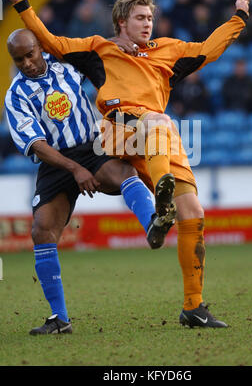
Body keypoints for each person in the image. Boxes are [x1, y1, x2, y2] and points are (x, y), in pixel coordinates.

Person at [3, 0, 251, 329]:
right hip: (117, 132)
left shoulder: (169, 51)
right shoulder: (97, 50)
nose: (148, 24)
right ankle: (158, 200)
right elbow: (51, 41)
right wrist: (22, 4)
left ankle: (193, 307)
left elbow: (209, 49)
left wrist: (238, 17)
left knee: (193, 211)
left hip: (155, 139)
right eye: (140, 18)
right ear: (122, 22)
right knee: (154, 123)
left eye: (150, 18)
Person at [4, 28, 175, 335]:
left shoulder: (66, 65)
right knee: (41, 230)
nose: (26, 63)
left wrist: (121, 46)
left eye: (30, 55)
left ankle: (153, 223)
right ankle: (59, 318)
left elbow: (100, 60)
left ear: (39, 49)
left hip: (93, 145)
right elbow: (37, 145)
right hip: (55, 161)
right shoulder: (15, 95)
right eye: (19, 60)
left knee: (123, 173)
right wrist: (75, 170)